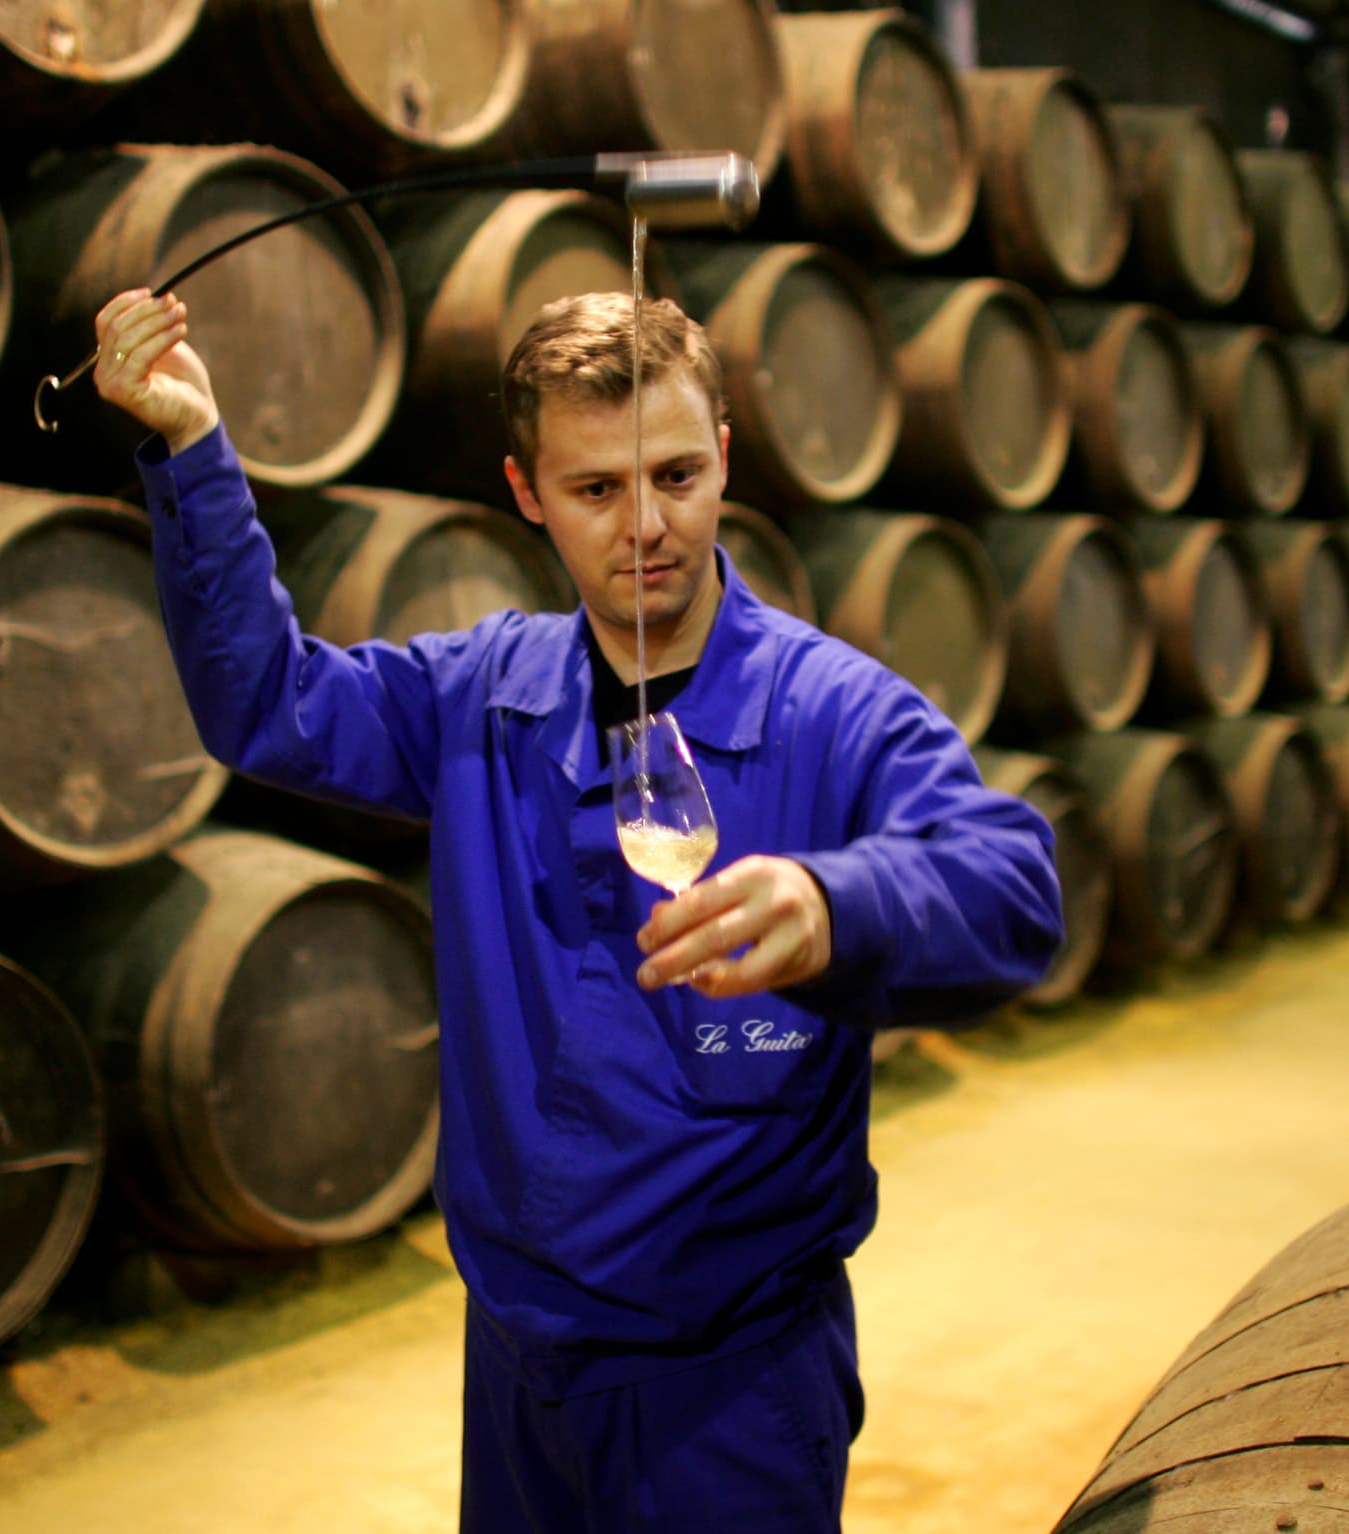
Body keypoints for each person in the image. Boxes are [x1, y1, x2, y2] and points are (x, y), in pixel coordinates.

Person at [95, 285, 1063, 1532]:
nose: (646, 526)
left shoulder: (833, 712)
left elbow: (1013, 882)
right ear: (526, 491)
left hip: (731, 1378)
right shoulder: (484, 699)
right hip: (518, 1362)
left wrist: (839, 900)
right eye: (596, 490)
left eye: (674, 474)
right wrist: (191, 449)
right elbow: (266, 703)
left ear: (724, 456)